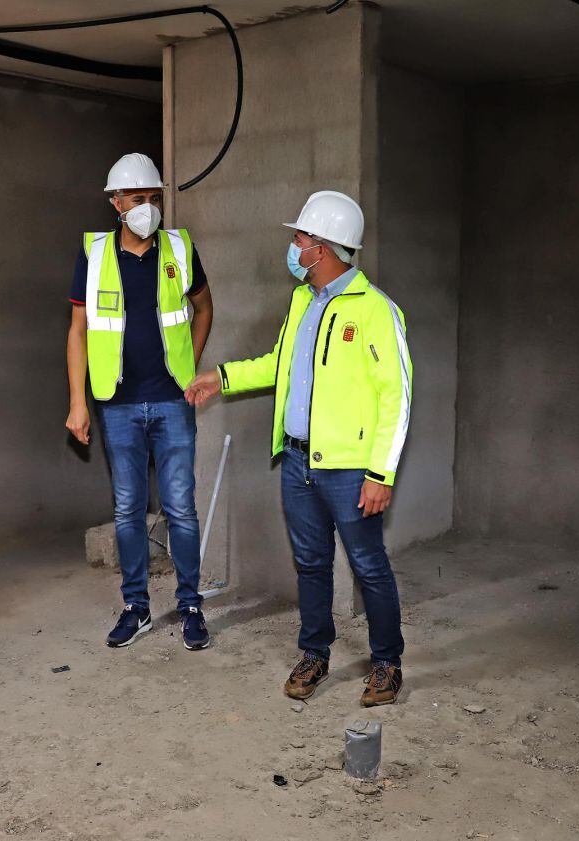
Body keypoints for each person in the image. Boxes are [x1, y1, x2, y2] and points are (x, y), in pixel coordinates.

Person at [186, 191, 412, 706]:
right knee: (311, 565)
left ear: (324, 247)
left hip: (351, 470)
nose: (294, 246)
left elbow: (396, 396)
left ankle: (387, 663)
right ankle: (315, 653)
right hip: (297, 462)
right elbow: (279, 364)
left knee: (368, 566)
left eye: (300, 238)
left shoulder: (377, 311)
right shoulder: (301, 302)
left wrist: (382, 473)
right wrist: (221, 378)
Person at [65, 153, 215, 650]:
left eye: (155, 198)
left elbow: (203, 307)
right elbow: (79, 331)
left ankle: (191, 605)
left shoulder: (178, 248)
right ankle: (137, 606)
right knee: (128, 509)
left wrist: (188, 369)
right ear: (116, 204)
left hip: (172, 402)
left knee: (181, 509)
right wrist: (78, 403)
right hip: (119, 404)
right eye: (137, 199)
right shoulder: (94, 254)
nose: (148, 207)